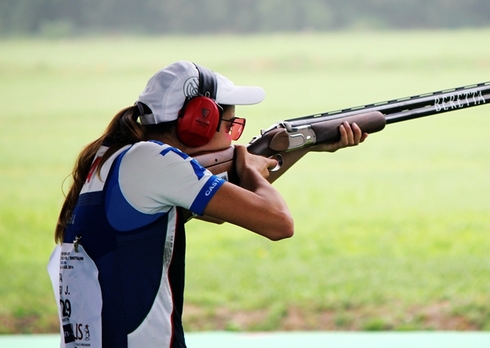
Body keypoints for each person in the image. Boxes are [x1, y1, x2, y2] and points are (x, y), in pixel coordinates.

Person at [48, 60, 366, 348]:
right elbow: (278, 223)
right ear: (199, 122)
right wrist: (252, 172)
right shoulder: (154, 161)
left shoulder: (111, 161)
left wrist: (307, 146)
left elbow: (230, 204)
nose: (233, 138)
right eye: (231, 126)